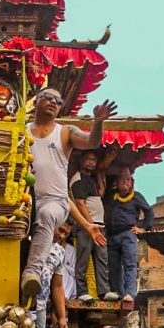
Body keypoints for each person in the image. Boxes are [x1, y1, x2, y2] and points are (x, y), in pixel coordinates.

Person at [21, 88, 116, 297]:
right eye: (49, 97)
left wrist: (98, 121)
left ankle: (32, 273)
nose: (54, 102)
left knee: (46, 215)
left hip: (55, 202)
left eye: (59, 100)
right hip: (26, 202)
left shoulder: (66, 132)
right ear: (36, 100)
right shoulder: (21, 131)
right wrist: (86, 225)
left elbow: (92, 142)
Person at [69, 151, 117, 301]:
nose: (91, 162)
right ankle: (82, 292)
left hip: (98, 226)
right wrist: (90, 225)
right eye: (88, 159)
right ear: (81, 161)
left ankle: (104, 291)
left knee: (102, 258)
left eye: (94, 160)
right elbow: (80, 203)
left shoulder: (90, 179)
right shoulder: (78, 179)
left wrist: (100, 174)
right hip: (87, 227)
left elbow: (100, 193)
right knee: (83, 259)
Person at [103, 167, 154, 302]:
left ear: (132, 182)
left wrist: (144, 228)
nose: (125, 182)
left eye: (127, 180)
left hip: (128, 234)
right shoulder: (111, 195)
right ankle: (118, 293)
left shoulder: (136, 196)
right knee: (113, 266)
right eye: (122, 180)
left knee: (130, 264)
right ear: (117, 182)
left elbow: (149, 212)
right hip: (112, 235)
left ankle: (130, 294)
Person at [26, 222, 72, 328]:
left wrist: (62, 317)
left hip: (40, 307)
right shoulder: (29, 241)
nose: (62, 236)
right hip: (22, 304)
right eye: (61, 230)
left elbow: (57, 286)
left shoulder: (60, 252)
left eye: (66, 234)